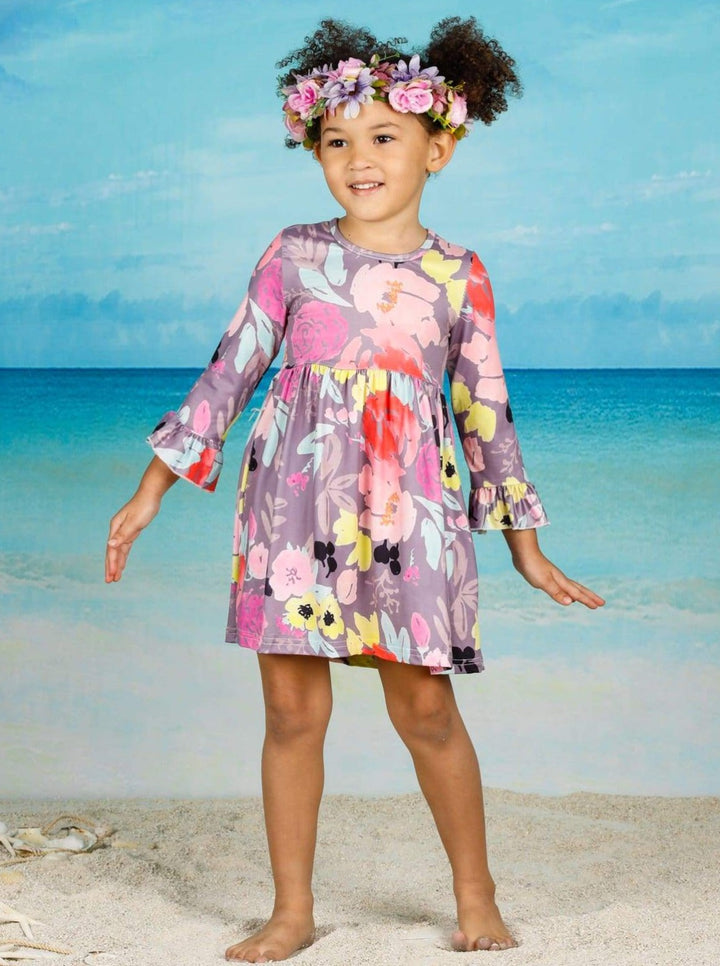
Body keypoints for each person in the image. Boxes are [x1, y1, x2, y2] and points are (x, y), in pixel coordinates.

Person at [105, 15, 605, 963]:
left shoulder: (458, 274)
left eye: (383, 137)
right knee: (292, 714)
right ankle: (291, 910)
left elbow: (485, 410)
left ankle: (477, 893)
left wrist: (526, 547)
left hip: (412, 516)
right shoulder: (292, 255)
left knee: (426, 711)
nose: (359, 159)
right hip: (292, 510)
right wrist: (152, 489)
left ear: (437, 148)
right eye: (336, 142)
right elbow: (229, 373)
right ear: (315, 153)